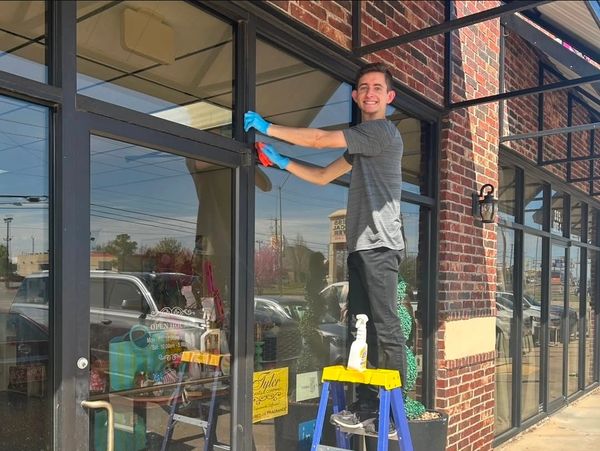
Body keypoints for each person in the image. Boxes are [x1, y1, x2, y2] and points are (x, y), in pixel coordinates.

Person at [245, 62, 406, 433]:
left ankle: (394, 413)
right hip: (362, 248)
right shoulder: (363, 145)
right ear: (355, 95)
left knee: (384, 327)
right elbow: (321, 175)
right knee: (359, 329)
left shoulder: (381, 131)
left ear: (389, 97)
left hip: (381, 245)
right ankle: (365, 406)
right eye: (363, 87)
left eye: (377, 88)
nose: (369, 93)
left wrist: (267, 127)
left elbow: (318, 140)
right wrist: (282, 162)